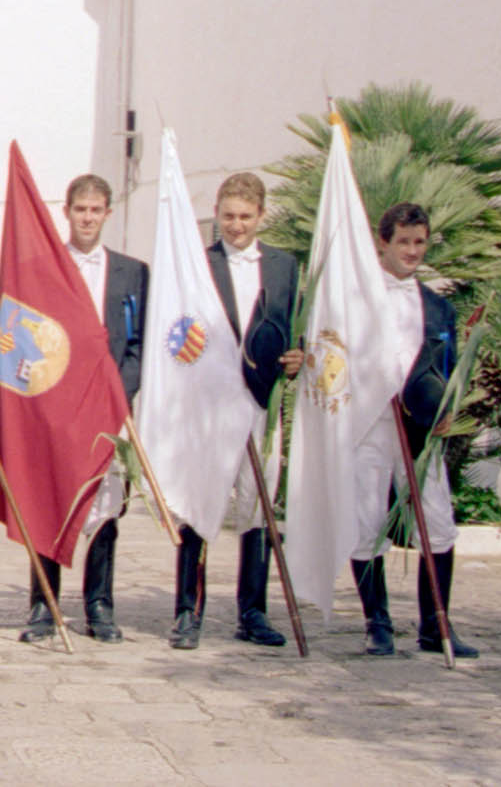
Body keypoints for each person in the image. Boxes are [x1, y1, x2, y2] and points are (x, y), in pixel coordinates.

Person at [175, 172, 302, 650]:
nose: (236, 226)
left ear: (261, 216)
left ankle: (252, 612)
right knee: (202, 505)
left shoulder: (285, 266)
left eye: (245, 217)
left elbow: (291, 329)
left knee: (257, 508)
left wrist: (295, 358)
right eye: (228, 216)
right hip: (211, 405)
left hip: (260, 403)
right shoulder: (199, 265)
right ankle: (188, 611)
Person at [348, 201, 478, 659]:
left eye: (419, 242)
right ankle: (376, 622)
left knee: (439, 522)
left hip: (420, 430)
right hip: (370, 422)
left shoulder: (439, 308)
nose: (411, 251)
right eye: (403, 242)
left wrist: (447, 408)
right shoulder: (357, 300)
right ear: (384, 242)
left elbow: (447, 369)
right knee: (365, 522)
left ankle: (435, 622)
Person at [25, 174, 148, 644]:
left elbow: (136, 344)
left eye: (96, 210)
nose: (88, 218)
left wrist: (122, 395)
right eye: (80, 210)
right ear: (67, 212)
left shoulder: (132, 272)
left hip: (108, 409)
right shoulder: (45, 267)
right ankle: (43, 604)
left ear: (108, 214)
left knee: (106, 508)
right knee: (50, 502)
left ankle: (99, 604)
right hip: (58, 409)